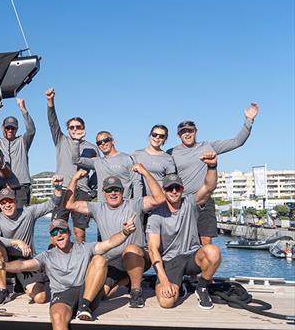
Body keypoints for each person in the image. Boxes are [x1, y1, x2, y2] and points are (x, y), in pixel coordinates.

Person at [0, 216, 137, 330]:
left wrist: (125, 232)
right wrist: (4, 265)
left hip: (86, 292)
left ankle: (85, 306)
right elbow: (23, 264)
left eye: (62, 231)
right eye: (54, 232)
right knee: (57, 317)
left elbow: (109, 243)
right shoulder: (47, 256)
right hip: (63, 295)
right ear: (51, 238)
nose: (58, 234)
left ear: (69, 233)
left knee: (99, 259)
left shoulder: (84, 247)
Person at [65, 163, 166, 308]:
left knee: (130, 249)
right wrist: (74, 179)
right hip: (113, 262)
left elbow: (160, 199)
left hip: (138, 257)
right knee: (102, 295)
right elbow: (69, 205)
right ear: (104, 193)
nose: (113, 193)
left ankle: (136, 292)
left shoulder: (134, 204)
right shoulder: (97, 208)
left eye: (116, 190)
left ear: (122, 191)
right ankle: (125, 279)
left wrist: (145, 172)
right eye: (109, 190)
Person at [168, 103, 258, 245]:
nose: (187, 134)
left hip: (205, 201)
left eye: (190, 130)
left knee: (205, 240)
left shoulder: (208, 146)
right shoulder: (171, 153)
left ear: (196, 132)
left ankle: (207, 266)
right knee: (183, 242)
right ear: (178, 135)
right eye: (183, 131)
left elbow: (237, 142)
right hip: (183, 203)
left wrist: (249, 120)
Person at [147, 154, 222, 310]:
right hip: (169, 262)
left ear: (182, 189)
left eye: (177, 188)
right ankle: (180, 286)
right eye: (169, 188)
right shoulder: (155, 214)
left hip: (191, 257)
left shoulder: (190, 203)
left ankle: (201, 287)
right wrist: (164, 280)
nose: (174, 191)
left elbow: (209, 187)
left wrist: (212, 166)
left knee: (213, 252)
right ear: (164, 190)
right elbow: (153, 249)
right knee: (166, 303)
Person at [0, 178, 63, 305]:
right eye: (3, 202)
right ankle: (3, 291)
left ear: (16, 202)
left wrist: (57, 188)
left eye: (10, 201)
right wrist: (17, 242)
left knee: (40, 298)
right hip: (5, 259)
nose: (7, 205)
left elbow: (52, 204)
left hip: (24, 260)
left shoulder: (28, 213)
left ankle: (22, 284)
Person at [46, 87, 98, 243]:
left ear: (83, 129)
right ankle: (52, 264)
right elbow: (52, 122)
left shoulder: (92, 148)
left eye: (78, 127)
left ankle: (81, 264)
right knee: (56, 230)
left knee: (79, 232)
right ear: (68, 129)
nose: (75, 129)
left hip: (82, 192)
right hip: (62, 190)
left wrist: (92, 191)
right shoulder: (61, 140)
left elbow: (98, 171)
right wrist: (50, 102)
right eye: (72, 127)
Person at [0, 97, 36, 205]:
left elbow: (31, 130)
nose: (10, 130)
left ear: (17, 129)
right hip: (2, 188)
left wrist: (23, 109)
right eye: (7, 128)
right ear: (2, 128)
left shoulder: (23, 141)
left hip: (21, 188)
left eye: (13, 128)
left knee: (22, 220)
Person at [73, 130, 141, 199]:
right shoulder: (97, 162)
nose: (103, 143)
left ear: (113, 141)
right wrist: (76, 141)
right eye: (99, 142)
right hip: (103, 207)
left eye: (106, 140)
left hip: (124, 206)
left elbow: (137, 183)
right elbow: (76, 159)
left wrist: (136, 205)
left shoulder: (127, 158)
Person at [132, 124, 177, 194]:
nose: (157, 137)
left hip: (160, 200)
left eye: (162, 136)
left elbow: (170, 182)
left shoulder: (168, 158)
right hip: (140, 200)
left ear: (165, 139)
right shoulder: (136, 154)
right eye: (154, 134)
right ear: (150, 135)